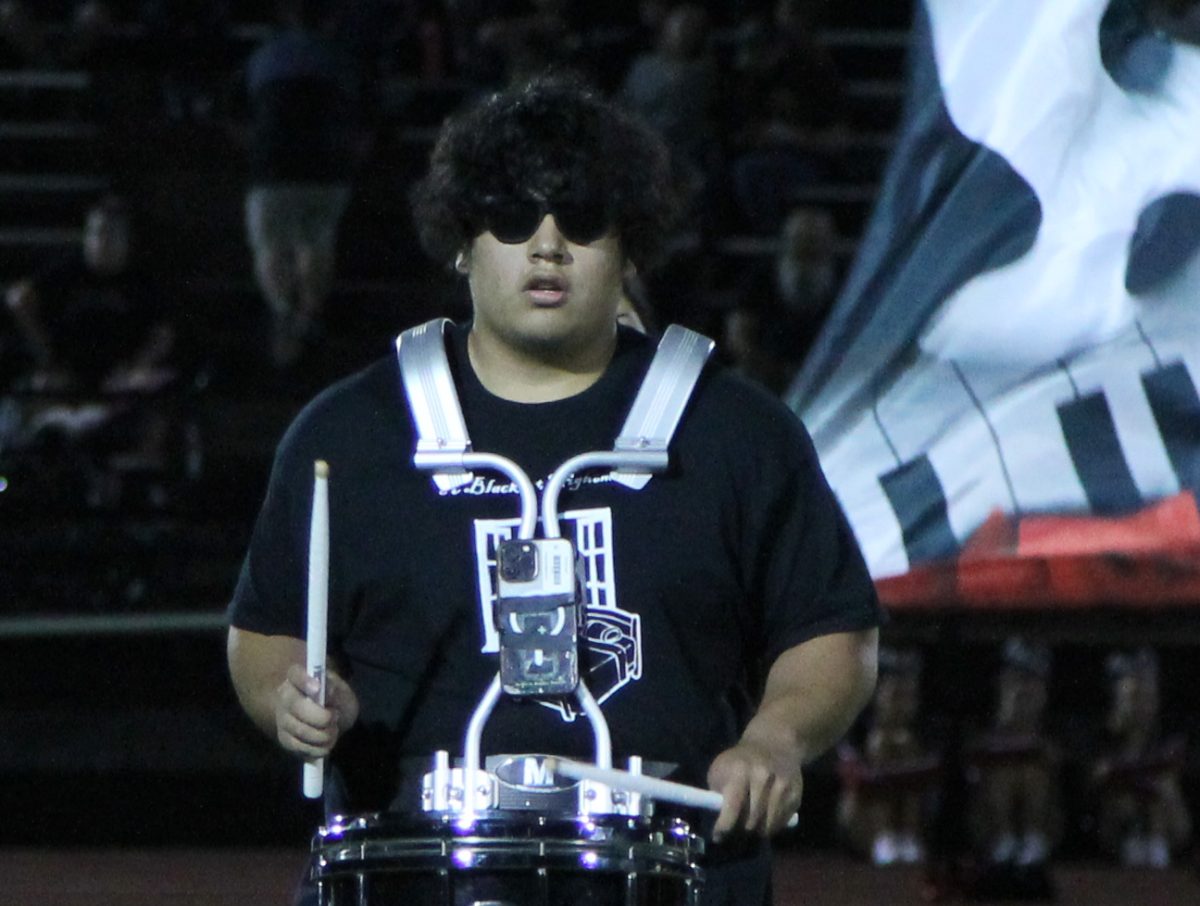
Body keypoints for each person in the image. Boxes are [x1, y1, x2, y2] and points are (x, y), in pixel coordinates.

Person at [226, 73, 882, 905]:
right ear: (463, 242)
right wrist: (290, 695)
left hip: (671, 873)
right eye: (510, 218)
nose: (547, 245)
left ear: (629, 245)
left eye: (580, 220)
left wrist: (776, 737)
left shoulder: (734, 429)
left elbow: (833, 634)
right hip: (411, 872)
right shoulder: (349, 432)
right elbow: (265, 632)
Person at [242, 0, 367, 368]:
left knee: (270, 244)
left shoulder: (266, 54)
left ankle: (284, 312)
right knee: (316, 239)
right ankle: (309, 314)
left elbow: (234, 106)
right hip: (326, 165)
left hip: (273, 166)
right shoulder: (339, 55)